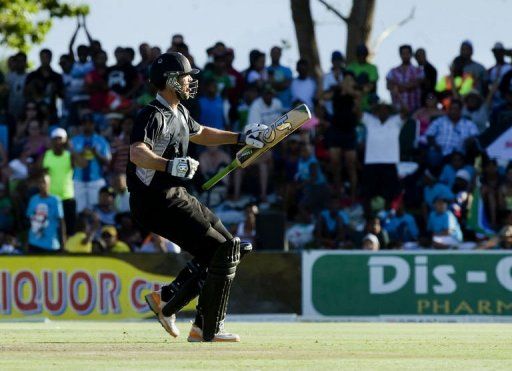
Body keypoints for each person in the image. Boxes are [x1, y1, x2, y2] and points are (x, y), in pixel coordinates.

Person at [128, 52, 267, 342]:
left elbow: (201, 133)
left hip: (173, 195)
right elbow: (137, 152)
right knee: (223, 250)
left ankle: (168, 300)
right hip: (154, 200)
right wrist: (168, 164)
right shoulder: (153, 113)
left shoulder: (179, 112)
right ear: (169, 80)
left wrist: (241, 137)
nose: (191, 81)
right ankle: (205, 327)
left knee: (229, 248)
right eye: (185, 76)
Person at [71, 113, 111, 212]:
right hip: (78, 180)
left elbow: (108, 162)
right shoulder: (74, 141)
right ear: (81, 125)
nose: (87, 126)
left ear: (94, 125)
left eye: (90, 123)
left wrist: (96, 153)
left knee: (96, 211)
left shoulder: (101, 141)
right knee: (79, 211)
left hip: (95, 181)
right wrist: (80, 153)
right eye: (85, 123)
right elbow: (68, 160)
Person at [41, 128, 76, 234]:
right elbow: (37, 171)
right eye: (55, 139)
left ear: (65, 140)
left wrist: (72, 149)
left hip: (67, 196)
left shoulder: (70, 155)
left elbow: (82, 164)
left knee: (69, 227)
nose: (58, 142)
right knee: (52, 226)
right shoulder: (46, 155)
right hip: (51, 197)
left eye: (60, 139)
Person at [26, 171, 65, 253]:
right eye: (40, 182)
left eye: (44, 182)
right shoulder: (33, 199)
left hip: (50, 244)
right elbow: (29, 220)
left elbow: (61, 222)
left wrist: (63, 242)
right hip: (33, 243)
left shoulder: (55, 200)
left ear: (49, 183)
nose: (42, 185)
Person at [386, 45, 424, 113]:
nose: (405, 55)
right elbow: (389, 85)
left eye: (407, 53)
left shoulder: (418, 71)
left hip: (414, 109)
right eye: (403, 53)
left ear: (411, 54)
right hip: (397, 109)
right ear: (400, 55)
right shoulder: (393, 71)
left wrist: (398, 86)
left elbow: (416, 83)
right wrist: (407, 86)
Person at [346, 44, 378, 111]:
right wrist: (360, 87)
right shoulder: (350, 67)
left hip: (369, 100)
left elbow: (371, 85)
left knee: (363, 76)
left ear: (366, 55)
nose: (362, 56)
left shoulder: (372, 68)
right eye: (360, 54)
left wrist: (357, 86)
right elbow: (348, 84)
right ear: (357, 55)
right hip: (352, 100)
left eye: (363, 54)